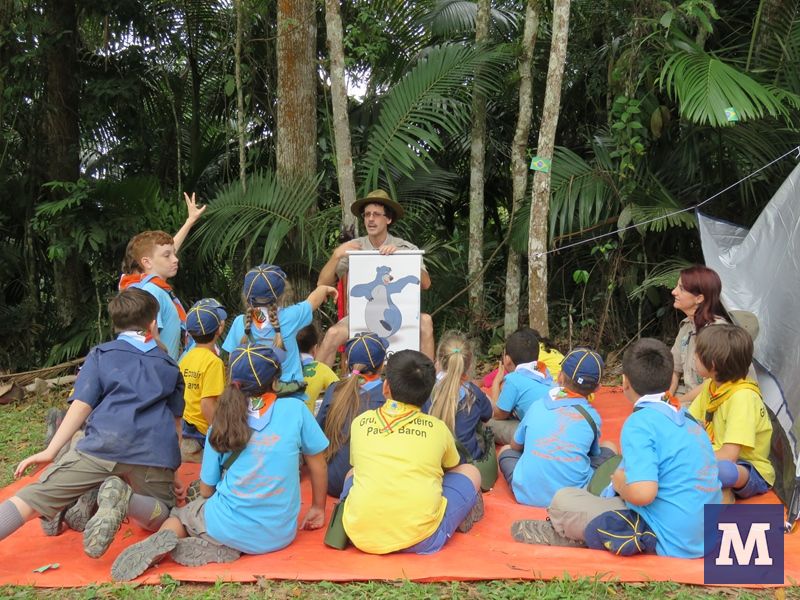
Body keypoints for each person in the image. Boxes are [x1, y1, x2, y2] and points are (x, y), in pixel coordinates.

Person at [110, 343, 329, 581]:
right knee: (223, 519)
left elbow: (206, 489)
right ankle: (226, 547)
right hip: (279, 534)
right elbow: (318, 463)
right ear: (276, 382)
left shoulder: (222, 422)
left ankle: (165, 541)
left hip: (226, 524)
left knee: (182, 515)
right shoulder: (296, 409)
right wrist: (318, 508)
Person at [3, 288, 185, 559]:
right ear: (152, 324)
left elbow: (82, 405)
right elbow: (175, 424)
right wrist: (174, 472)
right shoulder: (169, 365)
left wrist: (50, 452)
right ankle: (127, 499)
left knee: (32, 498)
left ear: (115, 325)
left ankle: (90, 497)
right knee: (163, 513)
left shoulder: (101, 354)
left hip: (103, 446)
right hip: (153, 454)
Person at [511, 338, 722, 558]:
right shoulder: (687, 416)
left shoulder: (640, 422)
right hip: (706, 535)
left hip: (668, 537)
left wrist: (620, 485)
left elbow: (643, 493)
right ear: (670, 378)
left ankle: (583, 536)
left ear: (624, 382)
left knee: (562, 501)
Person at [339, 350, 483, 555]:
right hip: (423, 538)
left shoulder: (361, 422)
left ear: (386, 386)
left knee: (352, 473)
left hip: (359, 535)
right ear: (428, 392)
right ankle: (448, 515)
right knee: (470, 471)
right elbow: (452, 467)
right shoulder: (437, 428)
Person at [315, 189, 434, 365]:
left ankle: (427, 382)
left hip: (399, 315)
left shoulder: (405, 247)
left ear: (388, 219)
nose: (370, 219)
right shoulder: (354, 248)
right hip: (361, 316)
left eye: (376, 214)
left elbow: (426, 284)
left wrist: (403, 258)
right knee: (332, 334)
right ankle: (313, 385)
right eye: (367, 214)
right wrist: (336, 256)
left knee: (426, 321)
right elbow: (322, 283)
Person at [497, 348, 615, 507]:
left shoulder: (537, 405)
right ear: (597, 388)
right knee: (609, 446)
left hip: (526, 495)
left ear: (559, 377)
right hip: (572, 498)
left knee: (505, 450)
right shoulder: (592, 417)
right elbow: (593, 454)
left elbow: (514, 446)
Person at [689, 324, 774, 501]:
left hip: (746, 467)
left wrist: (687, 458)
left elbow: (729, 456)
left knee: (724, 471)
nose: (694, 357)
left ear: (712, 364)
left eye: (697, 354)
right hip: (712, 455)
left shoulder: (743, 397)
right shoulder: (713, 387)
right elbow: (690, 420)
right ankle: (717, 490)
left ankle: (721, 490)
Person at [221, 264, 338, 388]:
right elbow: (313, 300)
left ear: (247, 296)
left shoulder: (240, 323)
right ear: (283, 295)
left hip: (253, 396)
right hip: (288, 394)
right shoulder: (290, 317)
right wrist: (324, 288)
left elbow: (232, 362)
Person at [316, 332, 389, 497]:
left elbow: (316, 433)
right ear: (382, 365)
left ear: (348, 362)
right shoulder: (386, 396)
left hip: (332, 481)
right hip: (366, 485)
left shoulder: (334, 389)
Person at [423, 331, 492, 464]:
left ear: (438, 360)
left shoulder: (423, 389)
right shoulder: (474, 393)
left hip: (431, 461)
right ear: (469, 364)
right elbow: (489, 415)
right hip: (465, 464)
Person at [119, 230, 186, 360]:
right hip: (160, 372)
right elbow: (148, 341)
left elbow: (162, 249)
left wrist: (190, 221)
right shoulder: (151, 291)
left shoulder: (153, 288)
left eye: (174, 253)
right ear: (147, 262)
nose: (175, 259)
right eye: (167, 256)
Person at [669, 265, 731, 405]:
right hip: (686, 395)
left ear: (699, 298)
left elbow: (714, 383)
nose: (674, 292)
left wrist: (677, 403)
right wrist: (667, 397)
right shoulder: (686, 327)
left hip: (712, 401)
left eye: (681, 288)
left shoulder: (718, 332)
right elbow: (674, 369)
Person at [487, 328, 555, 445]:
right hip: (559, 425)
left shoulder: (513, 380)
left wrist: (495, 384)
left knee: (486, 422)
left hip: (541, 436)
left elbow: (498, 415)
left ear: (507, 360)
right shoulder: (544, 370)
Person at [178, 298, 227, 459]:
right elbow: (208, 403)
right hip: (201, 432)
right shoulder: (213, 362)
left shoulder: (185, 358)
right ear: (218, 330)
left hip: (185, 427)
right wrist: (219, 434)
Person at [297, 323, 339, 414]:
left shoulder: (280, 366)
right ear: (315, 348)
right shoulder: (321, 369)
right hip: (307, 424)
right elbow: (339, 392)